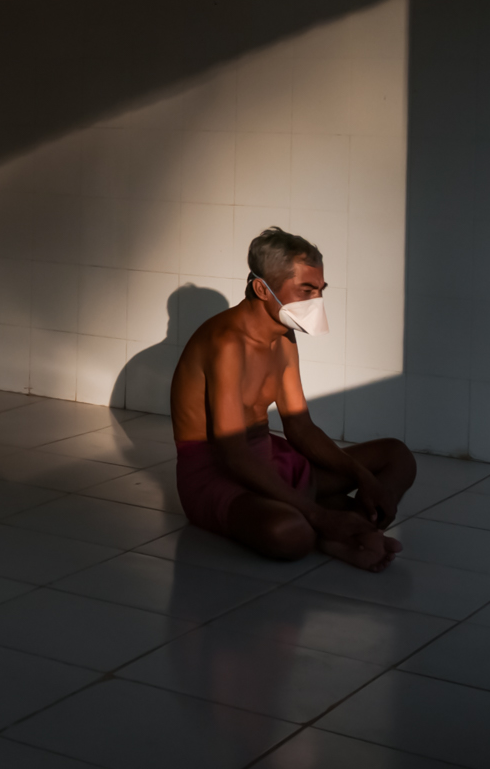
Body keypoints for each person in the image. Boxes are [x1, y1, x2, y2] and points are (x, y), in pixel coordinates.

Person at [169, 227, 417, 571]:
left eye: (320, 290)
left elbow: (300, 427)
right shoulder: (226, 344)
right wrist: (318, 514)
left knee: (398, 457)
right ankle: (335, 527)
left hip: (272, 461)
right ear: (262, 289)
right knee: (289, 534)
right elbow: (233, 454)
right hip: (218, 474)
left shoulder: (283, 336)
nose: (316, 300)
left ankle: (345, 527)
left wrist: (362, 476)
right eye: (306, 290)